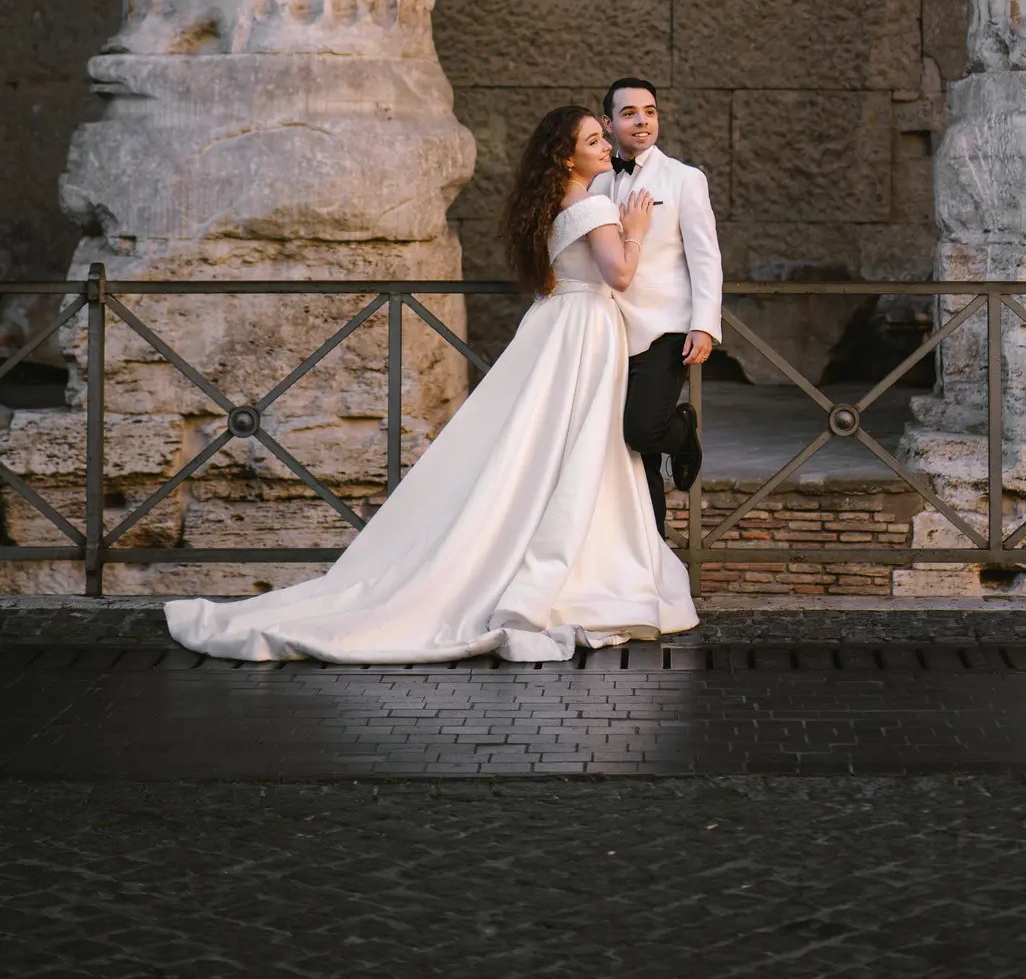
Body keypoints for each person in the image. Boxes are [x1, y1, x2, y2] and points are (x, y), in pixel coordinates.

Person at [162, 106, 698, 663]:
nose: (605, 143)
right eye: (593, 138)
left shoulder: (552, 202)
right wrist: (633, 233)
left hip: (553, 324)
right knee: (581, 445)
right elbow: (620, 275)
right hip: (585, 328)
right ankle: (573, 565)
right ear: (568, 156)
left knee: (543, 445)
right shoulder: (592, 204)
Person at [590, 79, 723, 535]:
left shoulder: (685, 179)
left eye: (649, 111)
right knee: (630, 454)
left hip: (665, 329)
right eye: (629, 113)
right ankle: (653, 546)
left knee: (643, 432)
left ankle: (682, 432)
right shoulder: (596, 182)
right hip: (607, 329)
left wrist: (704, 325)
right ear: (609, 123)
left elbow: (705, 256)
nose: (642, 120)